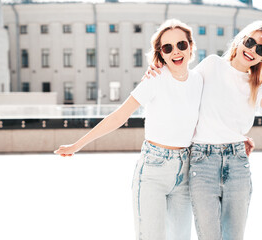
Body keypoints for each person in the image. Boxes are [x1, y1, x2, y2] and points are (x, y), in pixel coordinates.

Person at [54, 19, 204, 240]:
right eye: (167, 47)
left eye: (181, 44)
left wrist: (242, 137)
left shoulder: (199, 80)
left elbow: (215, 113)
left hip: (185, 172)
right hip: (154, 170)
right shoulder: (154, 80)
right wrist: (76, 145)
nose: (176, 52)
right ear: (161, 54)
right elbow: (119, 116)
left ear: (190, 46)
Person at [145, 20, 262, 240]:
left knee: (233, 237)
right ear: (240, 41)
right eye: (249, 42)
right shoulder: (212, 65)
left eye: (261, 50)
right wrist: (158, 68)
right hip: (203, 162)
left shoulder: (256, 85)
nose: (252, 50)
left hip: (237, 162)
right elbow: (183, 83)